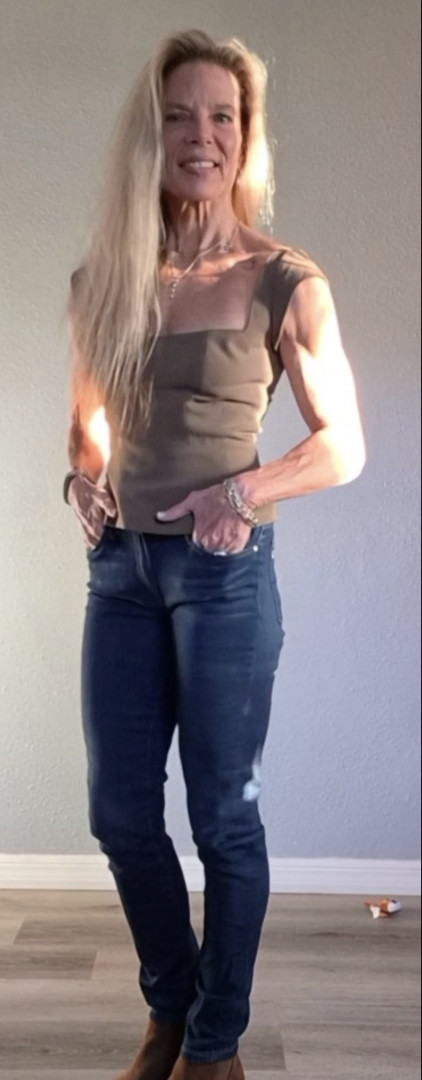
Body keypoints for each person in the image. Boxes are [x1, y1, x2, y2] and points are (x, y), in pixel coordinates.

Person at [64, 29, 365, 1080]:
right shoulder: (105, 280)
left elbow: (343, 446)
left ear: (246, 136)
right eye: (179, 115)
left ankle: (214, 1044)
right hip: (121, 576)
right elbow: (87, 431)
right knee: (118, 814)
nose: (202, 136)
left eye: (222, 117)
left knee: (223, 819)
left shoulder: (285, 280)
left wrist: (244, 490)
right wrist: (79, 483)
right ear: (150, 135)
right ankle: (173, 1008)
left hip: (224, 580)